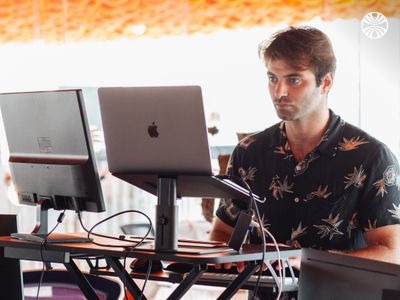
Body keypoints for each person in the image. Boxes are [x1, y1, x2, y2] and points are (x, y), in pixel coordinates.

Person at [209, 26, 400, 299]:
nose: (280, 91)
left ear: (326, 83)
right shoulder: (248, 152)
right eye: (273, 78)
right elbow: (221, 234)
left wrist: (309, 261)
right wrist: (226, 255)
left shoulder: (371, 157)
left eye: (294, 80)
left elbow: (392, 252)